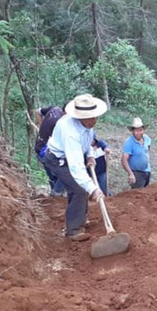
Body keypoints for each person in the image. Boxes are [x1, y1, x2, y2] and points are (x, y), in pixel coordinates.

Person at [42, 93, 107, 241]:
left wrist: (90, 154)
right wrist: (94, 190)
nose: (94, 120)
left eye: (95, 116)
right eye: (91, 117)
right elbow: (76, 167)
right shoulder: (70, 132)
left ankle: (80, 219)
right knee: (79, 189)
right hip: (57, 159)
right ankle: (74, 230)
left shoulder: (88, 124)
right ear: (80, 116)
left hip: (69, 156)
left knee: (81, 187)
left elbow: (88, 139)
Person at [34, 105, 66, 196]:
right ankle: (56, 196)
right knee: (63, 173)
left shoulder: (54, 109)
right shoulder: (60, 123)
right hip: (46, 151)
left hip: (40, 148)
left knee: (53, 176)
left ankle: (55, 199)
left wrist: (41, 127)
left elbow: (37, 111)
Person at [122, 117, 152, 188]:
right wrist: (131, 174)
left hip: (147, 170)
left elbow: (147, 150)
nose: (139, 132)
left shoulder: (147, 139)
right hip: (136, 173)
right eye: (136, 131)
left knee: (146, 192)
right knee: (137, 195)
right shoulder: (129, 143)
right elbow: (124, 160)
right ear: (132, 131)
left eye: (140, 130)